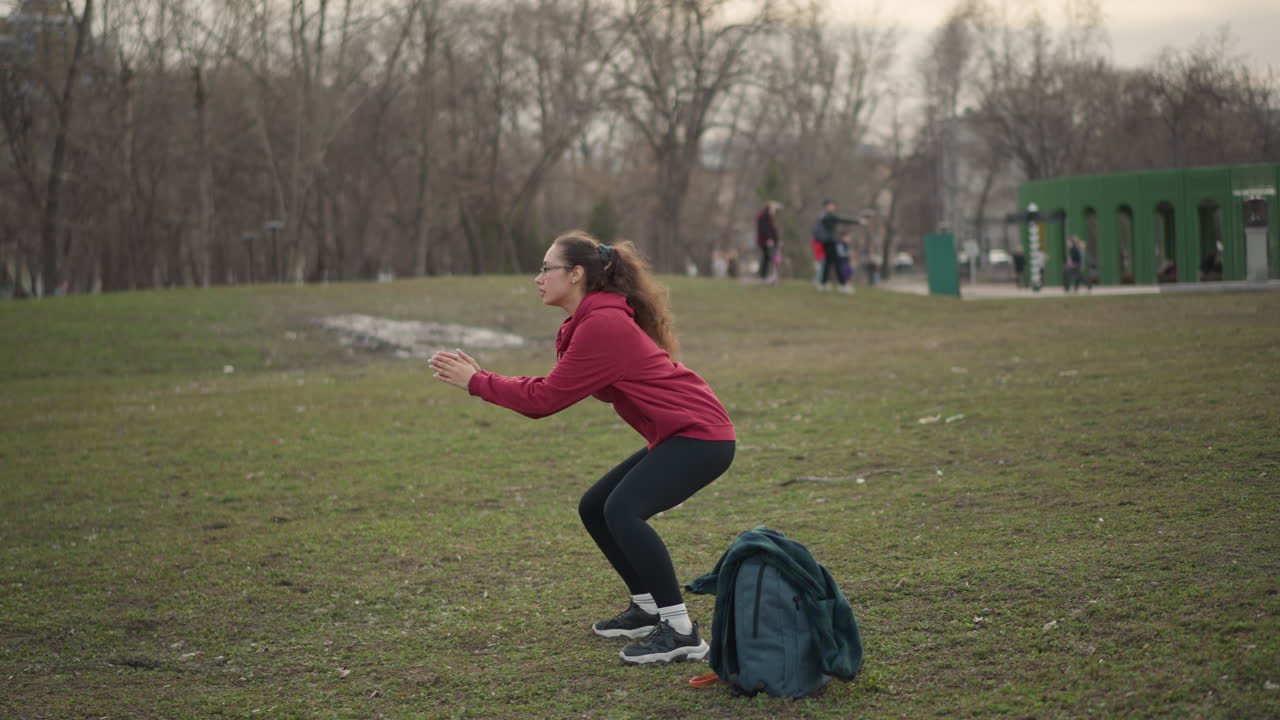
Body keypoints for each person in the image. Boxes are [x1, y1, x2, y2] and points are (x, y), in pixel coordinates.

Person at [428, 230, 736, 666]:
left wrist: (479, 383)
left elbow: (545, 400)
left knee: (623, 510)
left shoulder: (603, 325)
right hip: (683, 433)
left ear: (575, 275)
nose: (538, 278)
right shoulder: (590, 322)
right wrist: (486, 380)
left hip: (701, 436)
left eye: (546, 268)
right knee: (596, 506)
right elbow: (551, 387)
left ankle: (681, 631)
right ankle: (648, 610)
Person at [813, 200, 865, 294]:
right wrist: (858, 221)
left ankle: (823, 284)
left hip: (826, 242)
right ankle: (843, 285)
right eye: (832, 205)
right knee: (837, 263)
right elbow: (842, 219)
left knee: (828, 264)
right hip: (830, 242)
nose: (833, 207)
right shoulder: (829, 215)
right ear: (827, 206)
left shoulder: (822, 215)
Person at [755, 201, 780, 282]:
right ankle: (765, 276)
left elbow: (773, 230)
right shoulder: (763, 216)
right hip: (765, 241)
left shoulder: (769, 217)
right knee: (767, 258)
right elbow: (765, 229)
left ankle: (766, 276)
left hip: (769, 241)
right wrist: (769, 239)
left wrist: (777, 240)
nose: (774, 211)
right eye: (773, 209)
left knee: (768, 258)